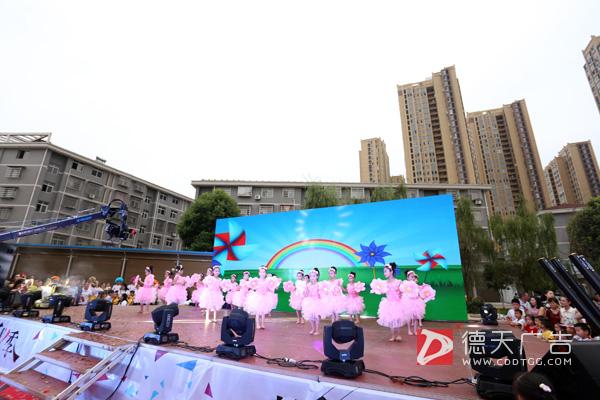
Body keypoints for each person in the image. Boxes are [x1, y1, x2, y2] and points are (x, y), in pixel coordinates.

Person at [372, 263, 408, 342]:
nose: (384, 273)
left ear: (391, 271)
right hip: (388, 303)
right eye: (384, 271)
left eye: (386, 271)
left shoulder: (398, 282)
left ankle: (399, 335)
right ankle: (393, 335)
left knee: (398, 319)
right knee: (391, 320)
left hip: (397, 303)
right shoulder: (384, 282)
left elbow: (401, 291)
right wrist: (377, 289)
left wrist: (401, 291)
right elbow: (383, 292)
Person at [301, 268, 326, 335]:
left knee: (316, 317)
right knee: (310, 316)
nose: (312, 277)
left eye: (314, 276)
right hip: (310, 301)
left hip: (317, 302)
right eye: (311, 276)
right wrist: (304, 294)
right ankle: (313, 329)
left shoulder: (319, 285)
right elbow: (307, 293)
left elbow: (321, 293)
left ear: (317, 276)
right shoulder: (308, 285)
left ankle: (317, 330)